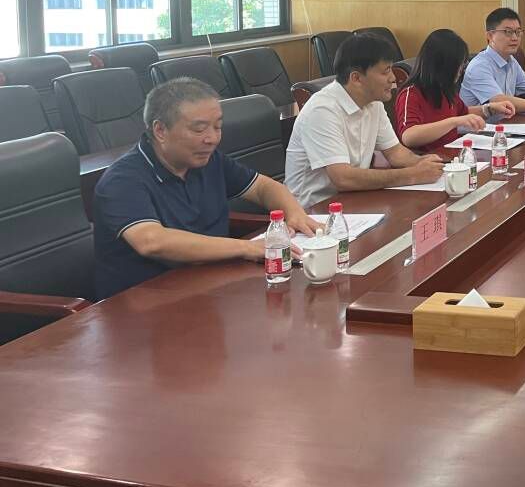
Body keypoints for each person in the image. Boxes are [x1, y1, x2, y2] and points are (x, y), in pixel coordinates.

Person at [94, 77, 317, 298]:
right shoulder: (122, 180)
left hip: (208, 284)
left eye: (217, 127)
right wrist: (248, 248)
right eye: (199, 129)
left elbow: (262, 187)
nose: (212, 138)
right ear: (160, 130)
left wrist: (295, 213)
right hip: (144, 300)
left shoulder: (207, 160)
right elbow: (152, 241)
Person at [285, 33, 443, 209]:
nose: (393, 78)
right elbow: (342, 178)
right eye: (385, 71)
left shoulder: (373, 103)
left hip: (354, 200)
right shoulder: (322, 110)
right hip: (313, 210)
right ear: (356, 78)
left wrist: (426, 163)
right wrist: (412, 175)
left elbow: (396, 153)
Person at [395, 28, 516, 150]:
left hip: (452, 153)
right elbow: (408, 136)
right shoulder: (411, 94)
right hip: (428, 157)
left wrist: (490, 109)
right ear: (444, 66)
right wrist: (453, 122)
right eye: (459, 66)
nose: (461, 71)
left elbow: (463, 113)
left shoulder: (445, 89)